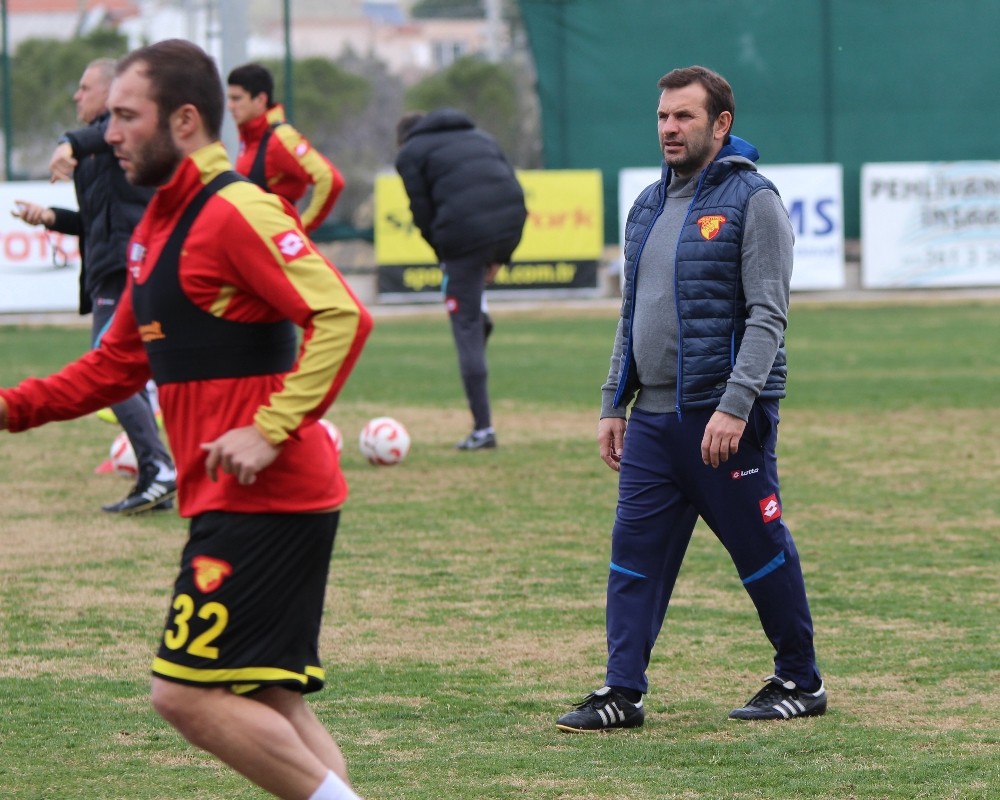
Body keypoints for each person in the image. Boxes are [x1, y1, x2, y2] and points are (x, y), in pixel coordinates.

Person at [0, 39, 373, 800]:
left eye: (127, 117)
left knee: (183, 693)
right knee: (269, 698)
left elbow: (342, 316)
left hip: (267, 496)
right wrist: (9, 409)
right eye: (108, 119)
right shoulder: (154, 229)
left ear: (187, 120)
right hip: (236, 496)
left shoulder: (236, 210)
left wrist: (268, 429)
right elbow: (112, 368)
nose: (109, 134)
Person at [555, 66, 825, 732]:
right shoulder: (647, 204)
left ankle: (801, 678)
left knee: (761, 551)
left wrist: (735, 405)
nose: (670, 129)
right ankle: (623, 692)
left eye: (685, 117)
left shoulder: (752, 200)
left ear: (720, 123)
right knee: (633, 558)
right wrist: (612, 402)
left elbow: (768, 316)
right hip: (651, 422)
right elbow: (630, 314)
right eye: (663, 117)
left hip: (724, 421)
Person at [12, 57, 177, 515]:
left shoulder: (113, 137)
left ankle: (159, 468)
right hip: (112, 269)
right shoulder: (99, 152)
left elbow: (96, 138)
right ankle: (156, 474)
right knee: (129, 370)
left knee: (109, 371)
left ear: (110, 93)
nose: (75, 96)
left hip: (129, 268)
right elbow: (93, 221)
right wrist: (49, 217)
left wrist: (68, 142)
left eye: (84, 87)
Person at [395, 109, 527, 450]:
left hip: (465, 235)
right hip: (510, 225)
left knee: (463, 325)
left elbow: (421, 212)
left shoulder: (410, 153)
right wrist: (502, 253)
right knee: (471, 311)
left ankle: (483, 431)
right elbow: (509, 185)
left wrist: (443, 256)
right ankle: (479, 318)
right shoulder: (480, 136)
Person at [226, 63, 344, 236]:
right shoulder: (250, 138)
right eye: (229, 99)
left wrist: (300, 230)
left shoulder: (280, 139)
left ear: (260, 100)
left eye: (237, 99)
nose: (230, 106)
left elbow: (330, 180)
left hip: (272, 251)